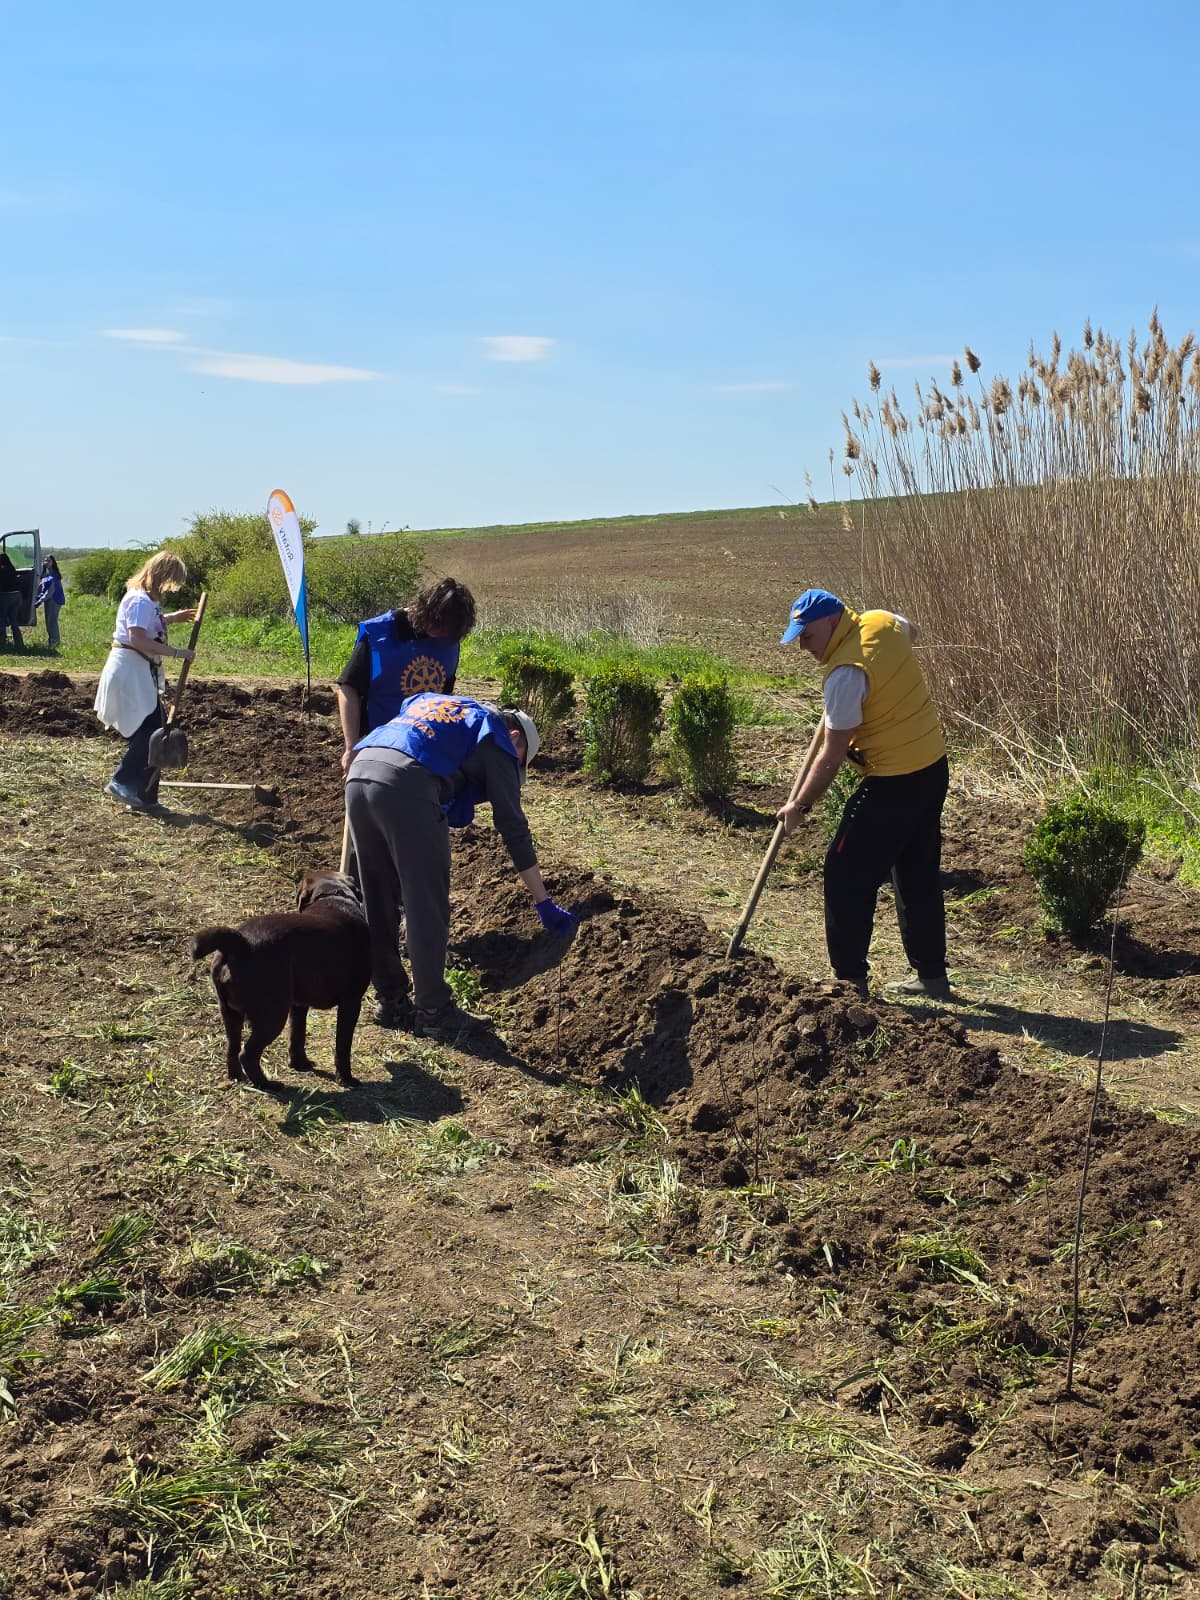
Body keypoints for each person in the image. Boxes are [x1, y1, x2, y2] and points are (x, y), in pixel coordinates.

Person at [345, 692, 578, 1039]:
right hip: (407, 786)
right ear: (516, 738)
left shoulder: (443, 706)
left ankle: (391, 999)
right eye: (521, 762)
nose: (513, 771)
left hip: (360, 773)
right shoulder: (497, 736)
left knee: (379, 896)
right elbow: (512, 825)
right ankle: (434, 1010)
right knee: (427, 902)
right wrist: (542, 900)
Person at [775, 588, 951, 1001]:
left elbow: (832, 756)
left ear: (833, 622)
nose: (803, 645)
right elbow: (912, 631)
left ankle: (849, 980)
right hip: (932, 766)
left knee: (845, 871)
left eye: (807, 635)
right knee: (915, 872)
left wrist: (799, 804)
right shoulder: (881, 622)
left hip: (896, 781)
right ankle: (932, 977)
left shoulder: (845, 674)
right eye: (798, 636)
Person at [336, 578, 477, 776]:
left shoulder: (449, 640)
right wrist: (351, 747)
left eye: (450, 631)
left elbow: (444, 698)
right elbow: (348, 688)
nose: (443, 634)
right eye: (441, 626)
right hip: (379, 743)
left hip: (424, 746)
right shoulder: (380, 635)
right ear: (429, 612)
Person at [93, 551, 196, 811]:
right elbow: (137, 638)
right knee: (151, 730)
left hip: (138, 670)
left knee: (157, 728)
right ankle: (122, 781)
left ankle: (145, 797)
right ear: (161, 576)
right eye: (171, 581)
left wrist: (172, 617)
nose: (171, 588)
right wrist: (177, 653)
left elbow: (150, 623)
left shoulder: (147, 601)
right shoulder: (139, 600)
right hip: (129, 671)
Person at [35, 557, 66, 648]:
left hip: (55, 600)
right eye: (45, 560)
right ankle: (51, 641)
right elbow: (42, 588)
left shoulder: (54, 575)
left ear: (53, 562)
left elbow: (51, 591)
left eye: (48, 560)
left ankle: (55, 642)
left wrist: (40, 600)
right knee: (48, 622)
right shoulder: (45, 574)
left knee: (52, 622)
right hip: (49, 600)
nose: (46, 562)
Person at [0, 552, 24, 649]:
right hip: (17, 596)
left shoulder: (1, 570)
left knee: (1, 620)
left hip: (6, 596)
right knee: (14, 621)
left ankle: (2, 642)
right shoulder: (12, 569)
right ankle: (19, 644)